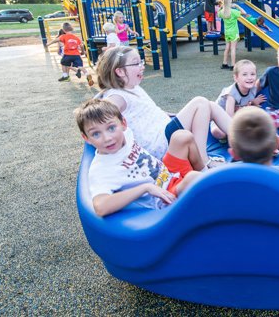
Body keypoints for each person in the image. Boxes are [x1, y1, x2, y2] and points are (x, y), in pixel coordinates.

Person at [96, 46, 231, 168]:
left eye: (141, 62)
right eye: (136, 63)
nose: (142, 66)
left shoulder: (132, 88)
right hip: (161, 145)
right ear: (119, 72)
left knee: (210, 105)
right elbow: (100, 113)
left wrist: (174, 115)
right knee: (200, 103)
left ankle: (243, 139)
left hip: (165, 133)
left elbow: (150, 112)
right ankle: (202, 160)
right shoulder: (118, 96)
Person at [75, 99, 202, 217]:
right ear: (86, 138)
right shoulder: (101, 169)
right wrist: (145, 188)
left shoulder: (126, 134)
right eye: (96, 134)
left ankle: (205, 171)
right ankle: (211, 182)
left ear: (123, 124)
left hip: (169, 174)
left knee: (182, 137)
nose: (107, 138)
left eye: (111, 128)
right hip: (166, 196)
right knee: (193, 177)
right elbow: (100, 207)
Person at [210, 60, 266, 140]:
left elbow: (247, 100)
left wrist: (254, 101)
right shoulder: (231, 95)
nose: (249, 78)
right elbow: (228, 118)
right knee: (219, 133)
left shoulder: (253, 88)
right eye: (244, 74)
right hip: (220, 118)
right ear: (236, 78)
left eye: (252, 74)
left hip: (237, 113)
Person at [219, 0, 247, 70]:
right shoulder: (233, 12)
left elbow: (218, 13)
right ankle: (233, 65)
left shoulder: (222, 12)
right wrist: (237, 6)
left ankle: (224, 63)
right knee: (233, 48)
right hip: (234, 32)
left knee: (227, 48)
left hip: (227, 32)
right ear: (230, 3)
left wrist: (222, 6)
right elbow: (244, 12)